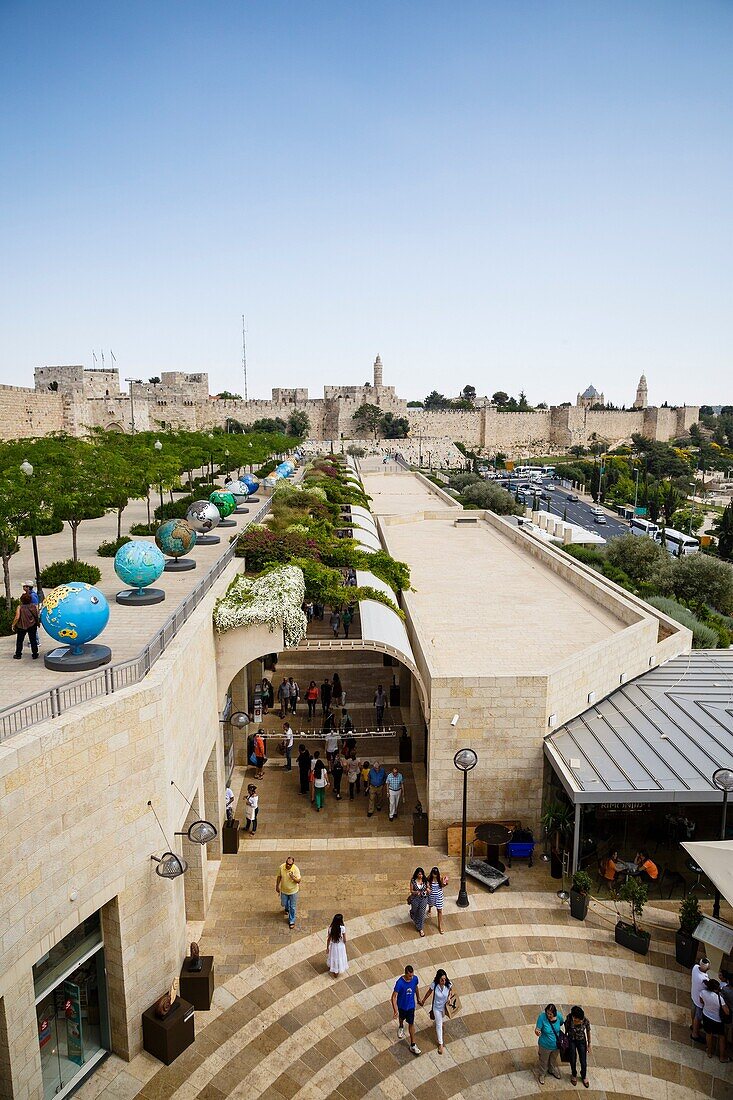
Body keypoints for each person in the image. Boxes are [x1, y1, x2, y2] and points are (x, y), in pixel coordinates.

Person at [419, 968, 454, 1054]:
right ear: (438, 979)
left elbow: (451, 991)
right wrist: (423, 1000)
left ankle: (440, 1024)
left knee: (441, 1019)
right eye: (442, 979)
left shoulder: (448, 984)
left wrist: (449, 997)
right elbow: (429, 992)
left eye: (445, 979)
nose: (444, 981)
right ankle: (441, 1044)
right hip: (437, 1008)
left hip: (444, 1008)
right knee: (439, 1025)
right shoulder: (434, 985)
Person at [391, 965, 421, 1055]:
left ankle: (413, 1044)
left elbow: (416, 987)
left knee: (411, 1023)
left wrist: (418, 998)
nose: (411, 977)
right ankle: (401, 1026)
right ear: (405, 974)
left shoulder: (415, 979)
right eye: (409, 976)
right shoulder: (399, 983)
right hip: (402, 1006)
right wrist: (395, 1010)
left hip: (411, 1006)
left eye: (412, 975)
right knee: (401, 1018)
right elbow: (393, 997)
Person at [699, 977, 730, 1061]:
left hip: (706, 1016)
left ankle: (709, 1052)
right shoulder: (720, 999)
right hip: (717, 1020)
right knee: (722, 1037)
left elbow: (701, 1001)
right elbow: (727, 1012)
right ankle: (722, 1057)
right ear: (716, 989)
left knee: (709, 1034)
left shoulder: (703, 992)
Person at [534, 1003, 564, 1084]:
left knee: (553, 1059)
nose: (548, 1015)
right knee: (543, 1061)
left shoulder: (559, 1016)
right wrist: (537, 1032)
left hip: (556, 1045)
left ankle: (551, 1070)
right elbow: (537, 1029)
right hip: (545, 1045)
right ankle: (542, 1074)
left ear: (554, 1013)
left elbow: (561, 1023)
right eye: (547, 1013)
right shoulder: (542, 1017)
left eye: (550, 1014)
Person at [565, 1005, 591, 1087]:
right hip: (571, 1040)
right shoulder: (569, 1018)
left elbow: (588, 1031)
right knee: (572, 1058)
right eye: (574, 1017)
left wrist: (589, 1044)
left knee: (583, 1060)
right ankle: (574, 1074)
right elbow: (566, 1026)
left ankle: (583, 1075)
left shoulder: (585, 1020)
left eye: (577, 1018)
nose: (575, 1019)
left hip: (581, 1040)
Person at [12, 593, 40, 660]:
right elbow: (37, 615)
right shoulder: (33, 606)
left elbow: (17, 617)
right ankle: (35, 654)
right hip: (32, 625)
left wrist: (13, 624)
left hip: (22, 626)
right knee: (33, 640)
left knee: (19, 641)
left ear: (21, 600)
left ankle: (18, 654)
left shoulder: (20, 607)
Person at [276, 856, 301, 929]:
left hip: (293, 891)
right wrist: (277, 886)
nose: (288, 865)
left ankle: (291, 921)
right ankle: (287, 908)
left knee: (292, 907)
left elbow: (299, 881)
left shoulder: (295, 869)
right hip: (284, 890)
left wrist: (293, 877)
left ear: (293, 864)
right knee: (284, 903)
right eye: (287, 863)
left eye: (290, 864)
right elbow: (279, 877)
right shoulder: (281, 867)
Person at [691, 957, 711, 1043]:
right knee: (698, 1017)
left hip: (693, 994)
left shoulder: (695, 968)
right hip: (699, 1001)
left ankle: (693, 1025)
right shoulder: (704, 979)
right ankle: (695, 1034)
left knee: (693, 1011)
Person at [427, 866, 449, 934]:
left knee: (439, 910)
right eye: (433, 874)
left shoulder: (440, 878)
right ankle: (429, 910)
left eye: (435, 874)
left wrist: (445, 884)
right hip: (431, 896)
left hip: (439, 896)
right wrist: (427, 887)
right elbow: (426, 883)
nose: (434, 876)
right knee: (430, 904)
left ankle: (440, 926)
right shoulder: (429, 878)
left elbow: (442, 886)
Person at [409, 867, 429, 937]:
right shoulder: (413, 881)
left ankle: (420, 928)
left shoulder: (425, 880)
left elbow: (428, 887)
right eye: (419, 874)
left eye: (422, 874)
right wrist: (416, 892)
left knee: (421, 913)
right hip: (415, 898)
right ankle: (412, 913)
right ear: (417, 874)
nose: (421, 876)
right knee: (415, 910)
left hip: (424, 898)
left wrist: (428, 890)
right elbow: (411, 890)